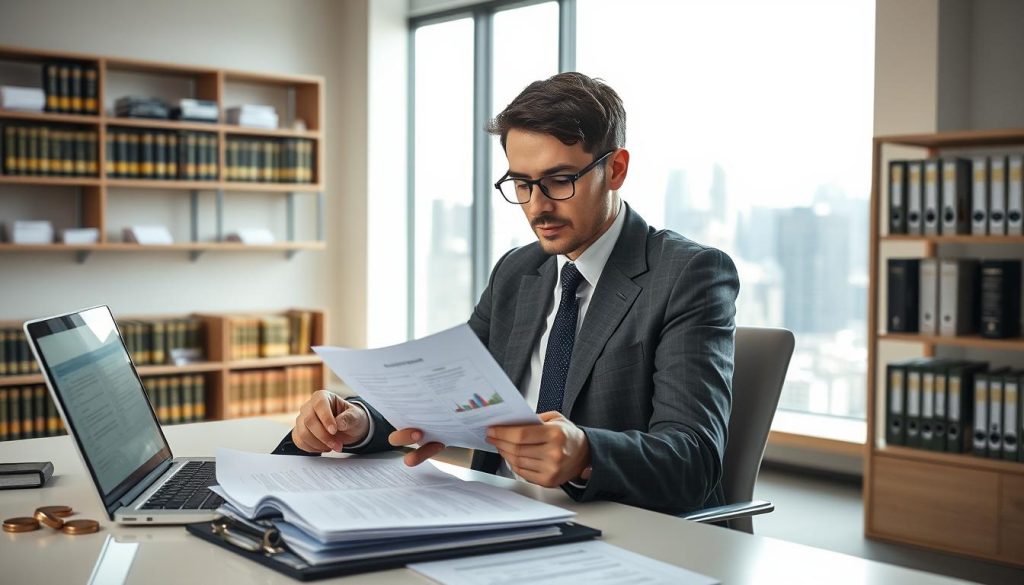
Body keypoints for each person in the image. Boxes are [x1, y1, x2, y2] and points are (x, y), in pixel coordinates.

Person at [276, 72, 739, 515]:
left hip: (610, 531)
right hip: (489, 515)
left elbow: (694, 460)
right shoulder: (520, 271)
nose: (538, 206)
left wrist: (585, 454)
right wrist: (357, 421)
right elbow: (444, 387)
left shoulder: (688, 274)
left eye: (560, 180)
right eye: (521, 183)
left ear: (615, 169)